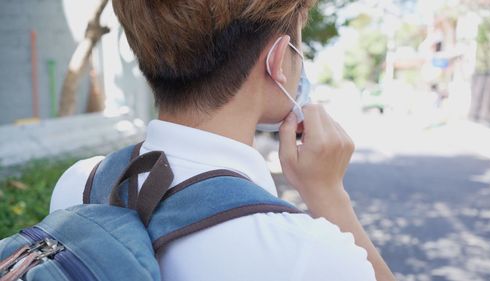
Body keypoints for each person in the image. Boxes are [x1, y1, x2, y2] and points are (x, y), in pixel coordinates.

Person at [50, 1, 396, 280]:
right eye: (298, 48)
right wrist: (329, 195)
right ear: (278, 60)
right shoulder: (304, 252)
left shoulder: (80, 182)